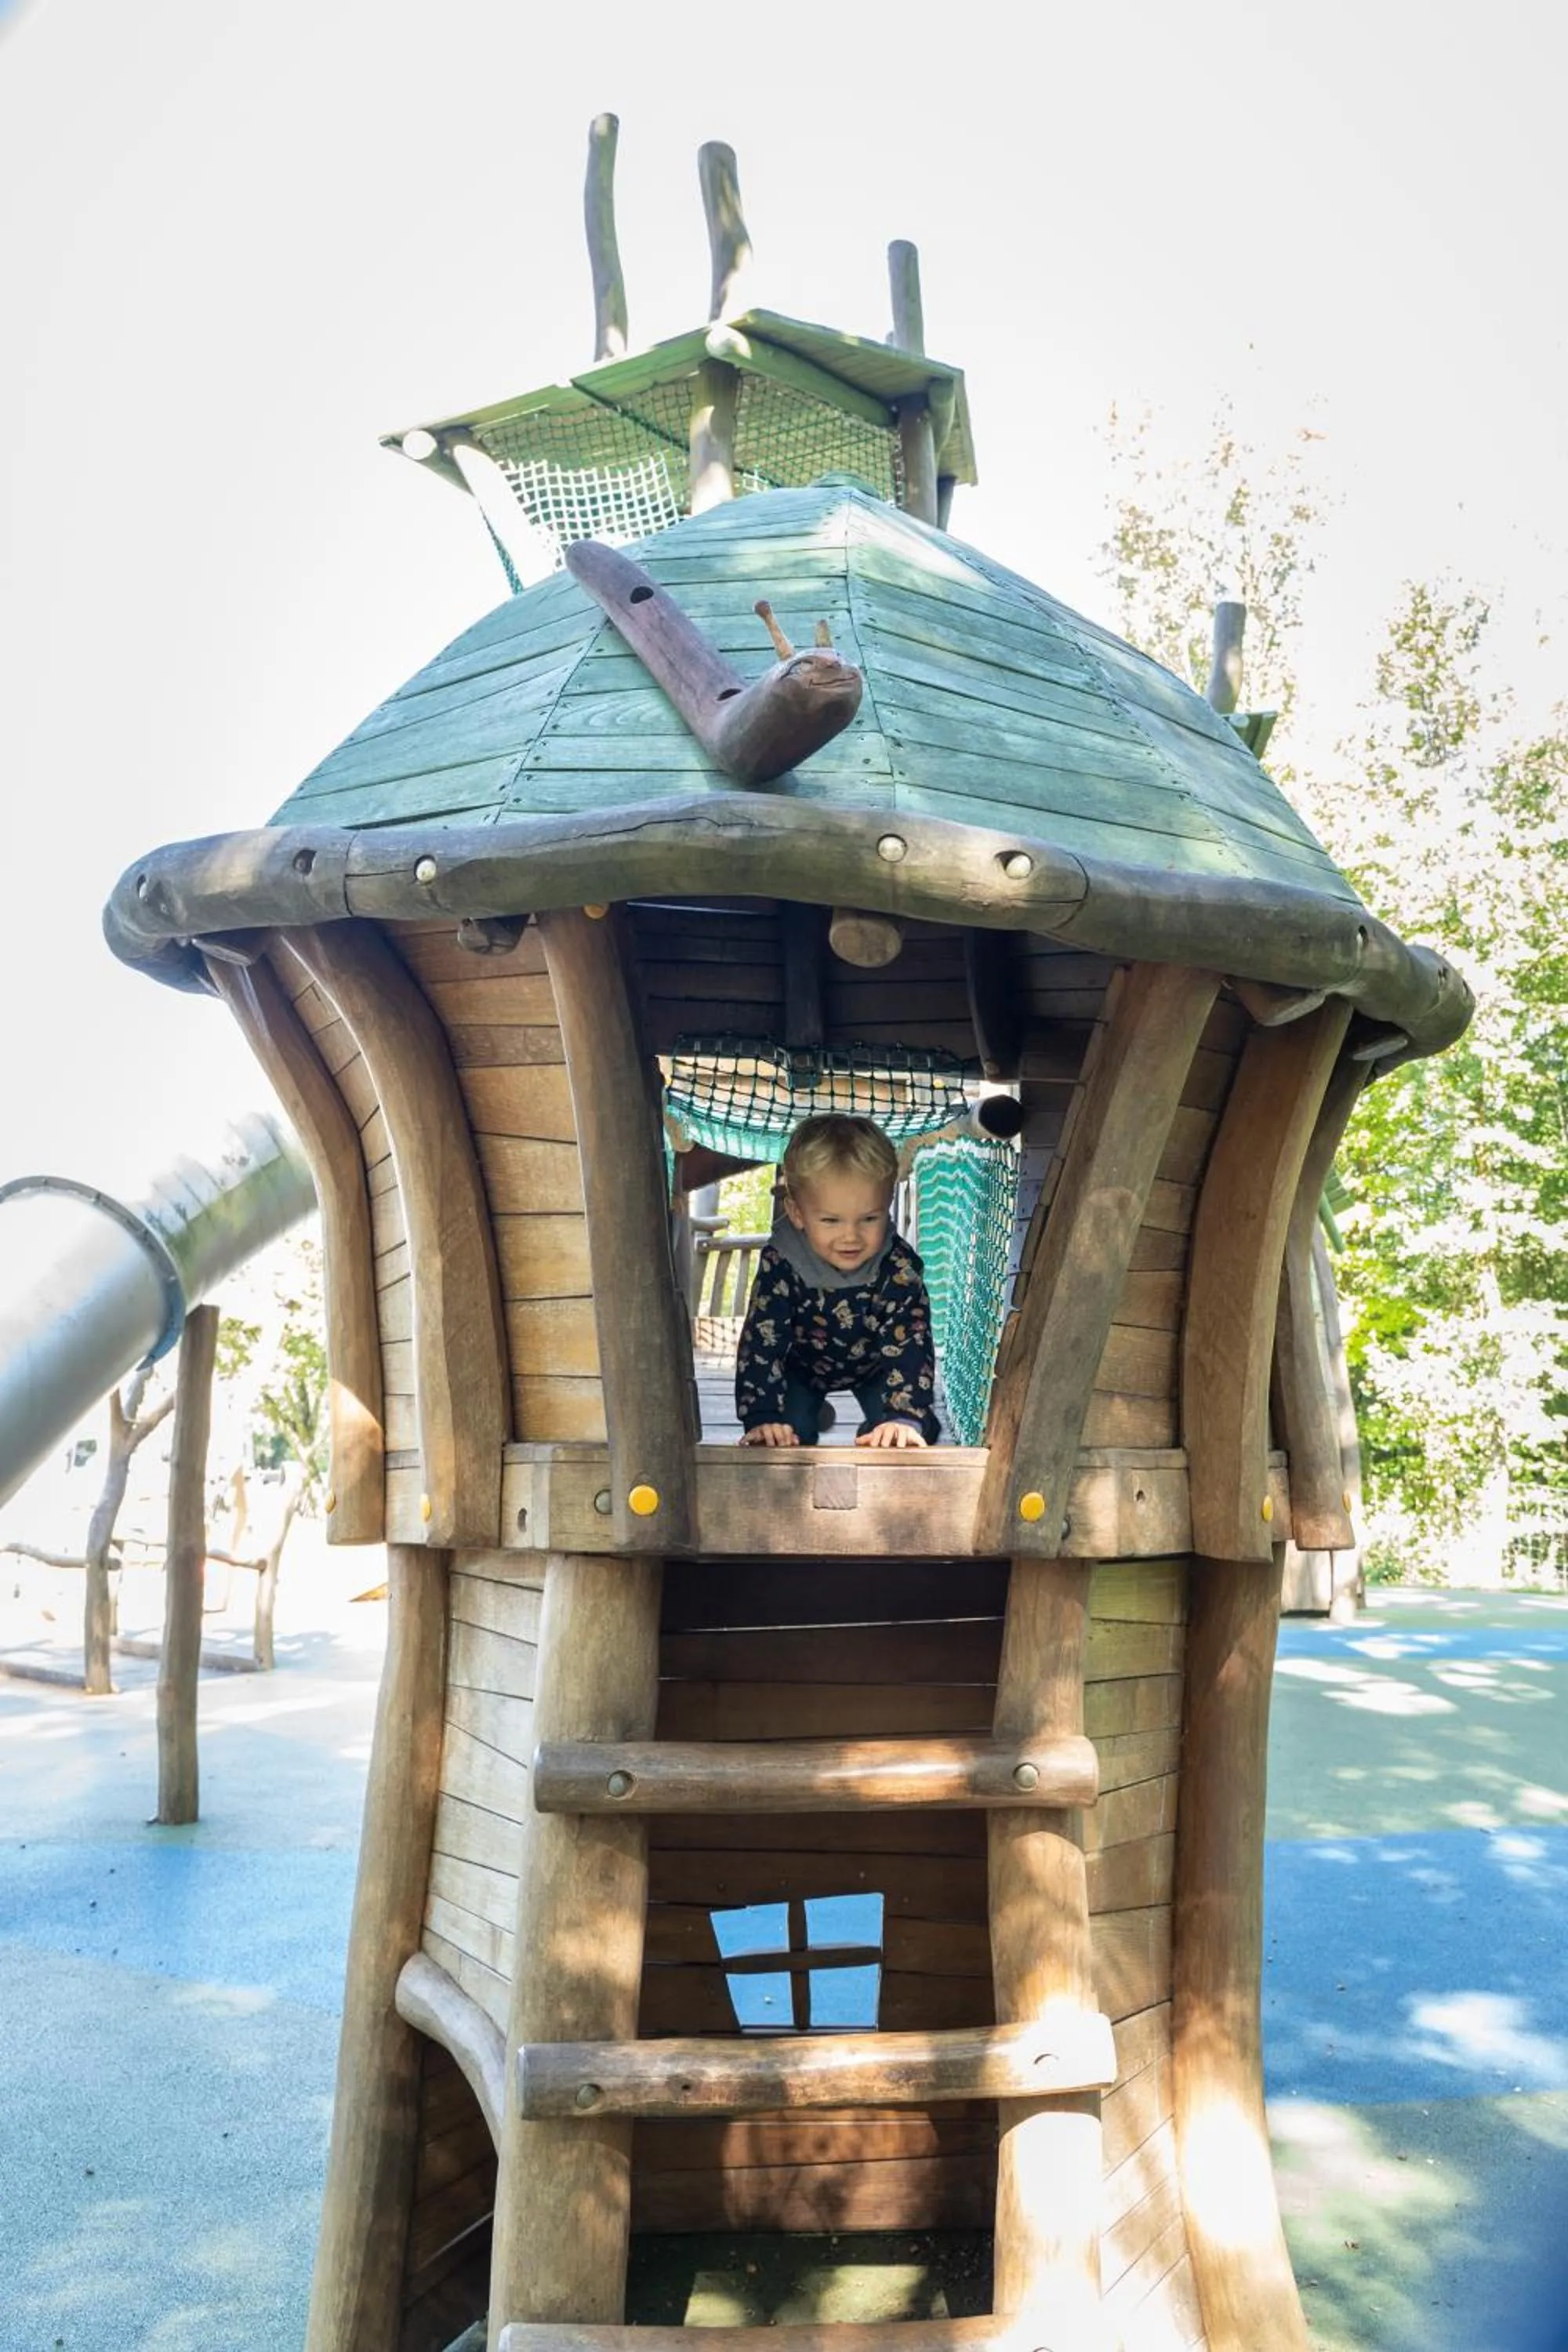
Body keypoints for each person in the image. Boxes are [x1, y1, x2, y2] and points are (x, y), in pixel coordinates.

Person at [735, 1112, 941, 1450]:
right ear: (798, 1213)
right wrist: (762, 1415)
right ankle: (809, 1413)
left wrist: (903, 1417)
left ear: (887, 1204)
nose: (851, 1236)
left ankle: (875, 1424)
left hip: (874, 1366)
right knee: (787, 1432)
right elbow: (762, 1340)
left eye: (869, 1218)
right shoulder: (783, 1261)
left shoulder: (897, 1266)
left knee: (910, 1433)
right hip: (801, 1367)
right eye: (831, 1220)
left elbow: (910, 1344)